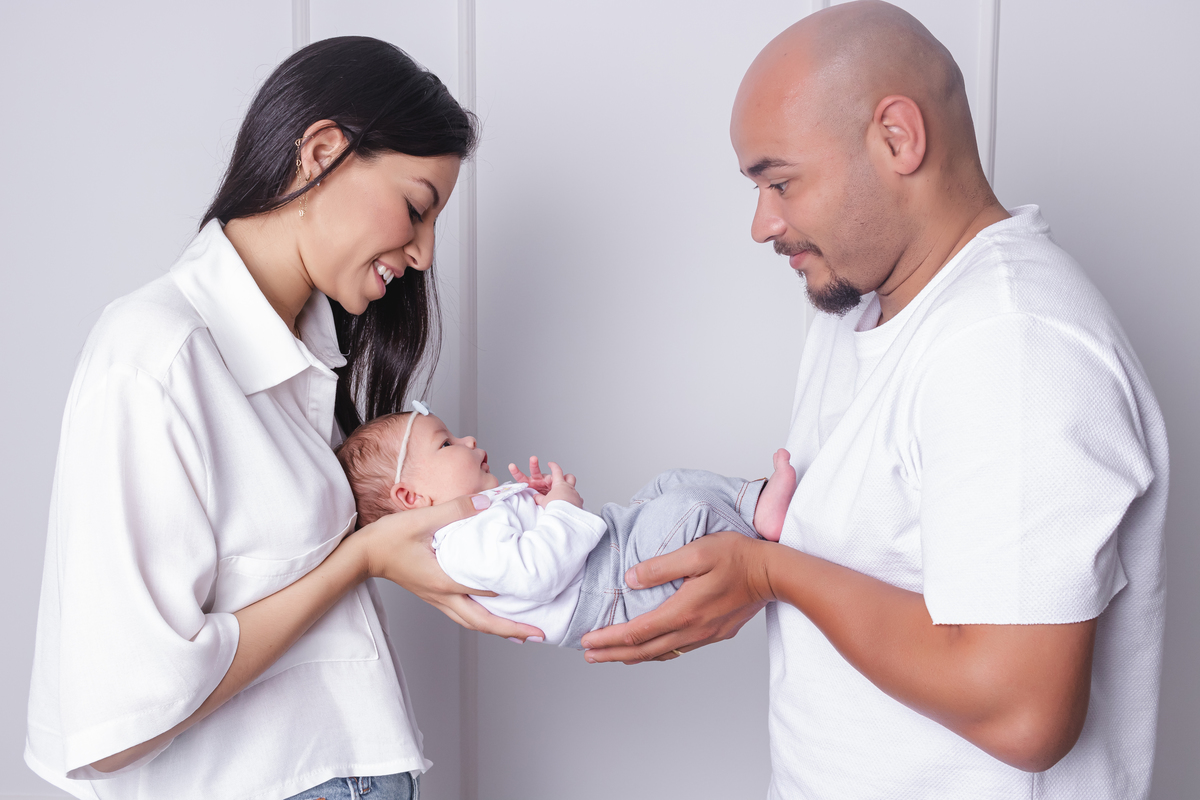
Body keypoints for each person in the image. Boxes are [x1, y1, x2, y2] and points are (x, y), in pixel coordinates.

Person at [581, 3, 1169, 798]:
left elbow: (1024, 713)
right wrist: (739, 528)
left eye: (780, 182)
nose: (762, 224)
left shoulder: (1011, 344)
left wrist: (767, 573)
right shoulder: (859, 303)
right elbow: (885, 527)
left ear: (897, 138)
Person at [25, 37, 540, 800]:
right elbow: (120, 720)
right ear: (322, 152)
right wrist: (360, 559)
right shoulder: (155, 356)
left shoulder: (310, 361)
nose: (426, 254)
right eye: (415, 209)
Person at [334, 407, 797, 649]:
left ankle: (756, 505)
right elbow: (537, 573)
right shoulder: (458, 545)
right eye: (446, 443)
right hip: (614, 587)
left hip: (614, 548)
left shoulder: (476, 517)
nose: (468, 439)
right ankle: (758, 530)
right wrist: (558, 508)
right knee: (687, 505)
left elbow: (542, 541)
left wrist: (537, 501)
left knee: (667, 483)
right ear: (412, 498)